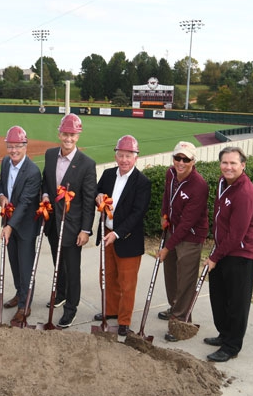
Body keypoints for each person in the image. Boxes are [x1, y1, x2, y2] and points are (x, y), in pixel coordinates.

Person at [203, 146, 253, 362]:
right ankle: (224, 335)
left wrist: (214, 257)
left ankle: (231, 347)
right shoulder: (223, 183)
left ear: (243, 165)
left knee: (237, 302)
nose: (228, 167)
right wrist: (217, 251)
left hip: (243, 253)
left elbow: (237, 233)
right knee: (219, 296)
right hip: (224, 249)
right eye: (225, 162)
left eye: (233, 163)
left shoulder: (245, 193)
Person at [41, 113, 97, 328]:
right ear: (59, 133)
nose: (68, 138)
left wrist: (86, 230)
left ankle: (71, 308)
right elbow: (45, 180)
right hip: (53, 223)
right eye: (65, 133)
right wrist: (45, 196)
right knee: (58, 262)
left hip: (73, 226)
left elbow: (89, 200)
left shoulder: (86, 164)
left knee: (72, 268)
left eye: (72, 134)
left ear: (78, 136)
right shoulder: (50, 154)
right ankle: (62, 294)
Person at [94, 135, 151, 336]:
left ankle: (124, 320)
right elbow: (98, 192)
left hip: (126, 240)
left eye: (129, 155)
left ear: (136, 157)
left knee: (127, 283)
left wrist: (117, 234)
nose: (124, 160)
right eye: (121, 155)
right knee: (107, 277)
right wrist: (98, 196)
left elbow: (137, 213)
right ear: (116, 156)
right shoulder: (108, 174)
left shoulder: (142, 182)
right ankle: (110, 310)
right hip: (106, 234)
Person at [156, 141, 209, 342]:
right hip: (173, 229)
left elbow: (188, 223)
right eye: (177, 157)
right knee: (171, 273)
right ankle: (175, 306)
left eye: (185, 159)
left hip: (191, 236)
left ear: (193, 161)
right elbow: (167, 196)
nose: (180, 162)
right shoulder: (170, 173)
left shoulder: (199, 185)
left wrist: (167, 247)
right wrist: (163, 214)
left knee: (186, 278)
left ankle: (181, 320)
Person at [0, 126, 41, 326]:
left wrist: (9, 227)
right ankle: (19, 293)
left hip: (24, 227)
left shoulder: (33, 171)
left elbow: (24, 203)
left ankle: (25, 305)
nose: (13, 151)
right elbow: (1, 184)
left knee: (25, 266)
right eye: (10, 146)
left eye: (18, 146)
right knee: (14, 263)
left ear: (25, 146)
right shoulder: (6, 162)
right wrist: (1, 196)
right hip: (9, 224)